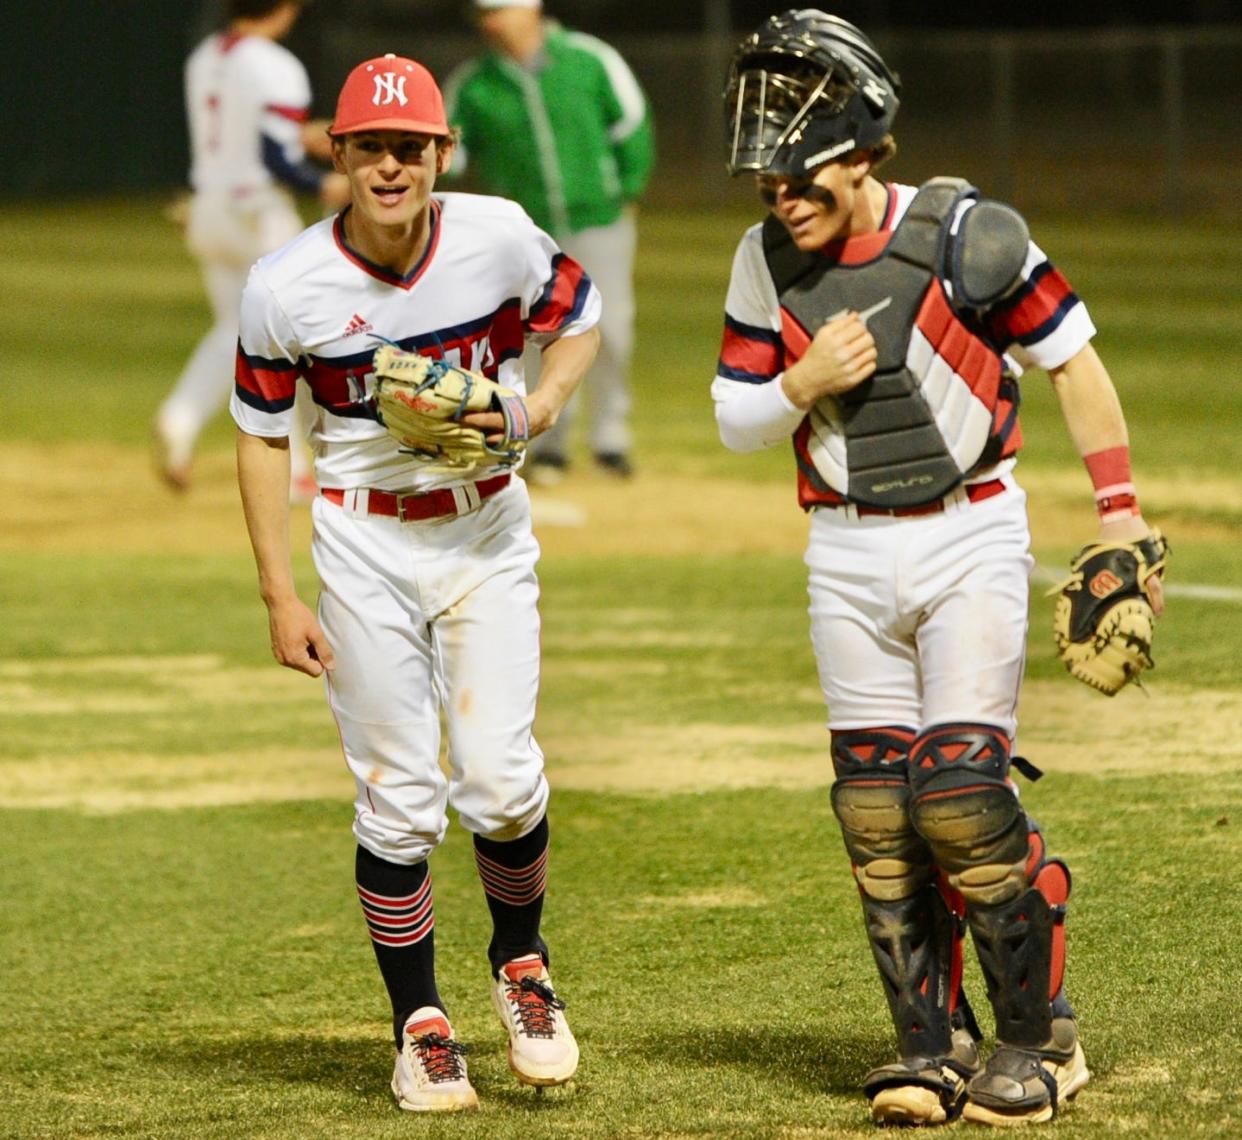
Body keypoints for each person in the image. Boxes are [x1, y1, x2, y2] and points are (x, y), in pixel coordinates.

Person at [713, 9, 1165, 1128]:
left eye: (798, 171)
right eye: (768, 178)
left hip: (971, 534)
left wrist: (1119, 513)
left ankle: (1037, 1039)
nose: (780, 197)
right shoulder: (763, 261)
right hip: (844, 549)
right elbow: (734, 419)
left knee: (960, 797)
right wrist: (801, 381)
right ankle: (927, 1046)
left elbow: (1073, 361)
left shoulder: (972, 235)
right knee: (875, 808)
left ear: (864, 148)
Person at [232, 53, 600, 1111]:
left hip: (485, 532)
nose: (390, 166)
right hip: (363, 545)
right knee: (397, 800)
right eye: (369, 148)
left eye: (411, 147)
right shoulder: (285, 285)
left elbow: (577, 318)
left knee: (498, 778)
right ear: (337, 155)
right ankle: (419, 1026)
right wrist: (277, 592)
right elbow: (262, 438)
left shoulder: (498, 234)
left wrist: (538, 408)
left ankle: (521, 964)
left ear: (441, 153)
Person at [443, 0, 655, 483]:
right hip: (526, 233)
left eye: (498, 10)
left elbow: (633, 124)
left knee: (613, 328)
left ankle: (610, 438)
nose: (489, 21)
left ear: (531, 9)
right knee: (541, 336)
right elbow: (448, 152)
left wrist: (627, 189)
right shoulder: (474, 83)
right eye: (482, 13)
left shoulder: (588, 58)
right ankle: (550, 444)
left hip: (597, 216)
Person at [157, 0, 348, 498]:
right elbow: (275, 157)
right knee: (296, 339)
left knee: (234, 331)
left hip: (207, 207)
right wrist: (323, 183)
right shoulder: (275, 64)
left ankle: (180, 418)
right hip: (256, 213)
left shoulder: (207, 54)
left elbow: (241, 135)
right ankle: (300, 468)